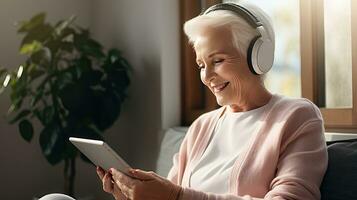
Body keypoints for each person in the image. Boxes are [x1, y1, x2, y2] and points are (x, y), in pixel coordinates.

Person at [96, 1, 328, 200]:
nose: (206, 77)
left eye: (217, 61)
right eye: (201, 65)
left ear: (258, 56)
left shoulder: (297, 117)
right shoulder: (202, 126)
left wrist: (175, 196)